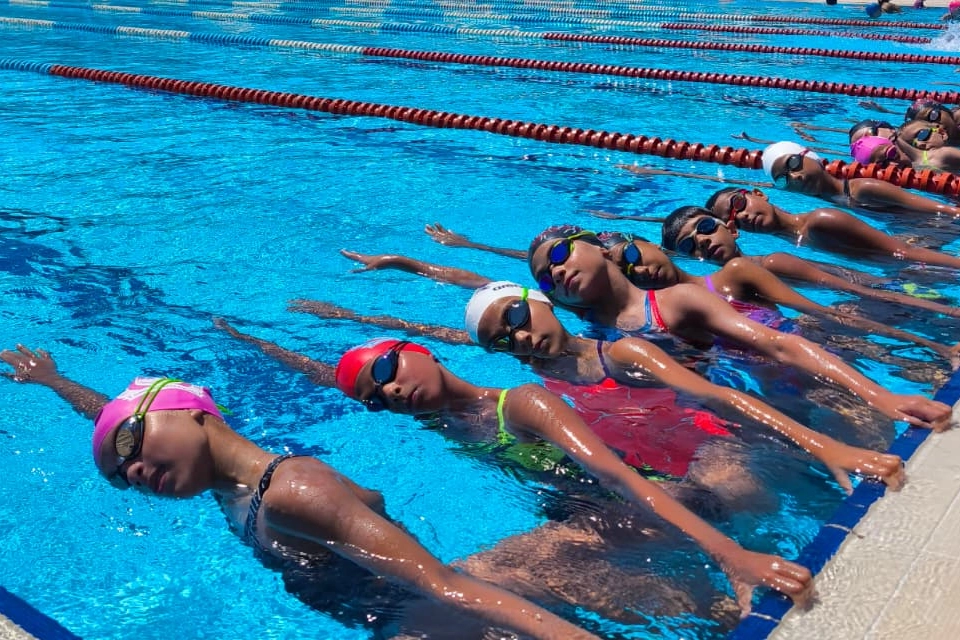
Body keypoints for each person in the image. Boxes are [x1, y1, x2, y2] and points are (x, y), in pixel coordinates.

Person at [0, 345, 601, 640]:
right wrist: (54, 381)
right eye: (119, 474)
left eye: (130, 445)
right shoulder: (232, 491)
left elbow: (446, 587)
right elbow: (112, 417)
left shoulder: (292, 491)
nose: (131, 471)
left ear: (193, 413)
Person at [331, 336, 816, 614]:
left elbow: (618, 478)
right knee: (448, 587)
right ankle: (714, 611)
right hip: (598, 521)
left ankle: (717, 601)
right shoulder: (445, 421)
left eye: (387, 370)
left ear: (422, 351)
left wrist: (731, 556)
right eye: (376, 399)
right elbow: (330, 378)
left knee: (476, 576)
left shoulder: (522, 405)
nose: (390, 391)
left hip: (654, 505)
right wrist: (286, 347)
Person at [527, 225, 954, 431]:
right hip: (720, 428)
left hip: (791, 394)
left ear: (602, 248)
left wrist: (880, 394)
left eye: (560, 254)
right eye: (546, 279)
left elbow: (779, 345)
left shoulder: (676, 301)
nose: (557, 272)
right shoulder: (585, 343)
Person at [702, 187, 960, 274]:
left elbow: (903, 252)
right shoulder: (794, 238)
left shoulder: (821, 221)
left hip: (923, 269)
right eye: (734, 221)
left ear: (759, 194)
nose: (743, 216)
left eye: (739, 204)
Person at [761, 141, 960, 218]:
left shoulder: (863, 189)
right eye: (783, 180)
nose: (795, 177)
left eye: (793, 163)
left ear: (810, 155)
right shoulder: (829, 198)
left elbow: (945, 210)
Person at [893, 120, 960, 173]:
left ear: (941, 133)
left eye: (921, 135)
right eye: (912, 145)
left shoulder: (946, 153)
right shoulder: (918, 166)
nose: (919, 144)